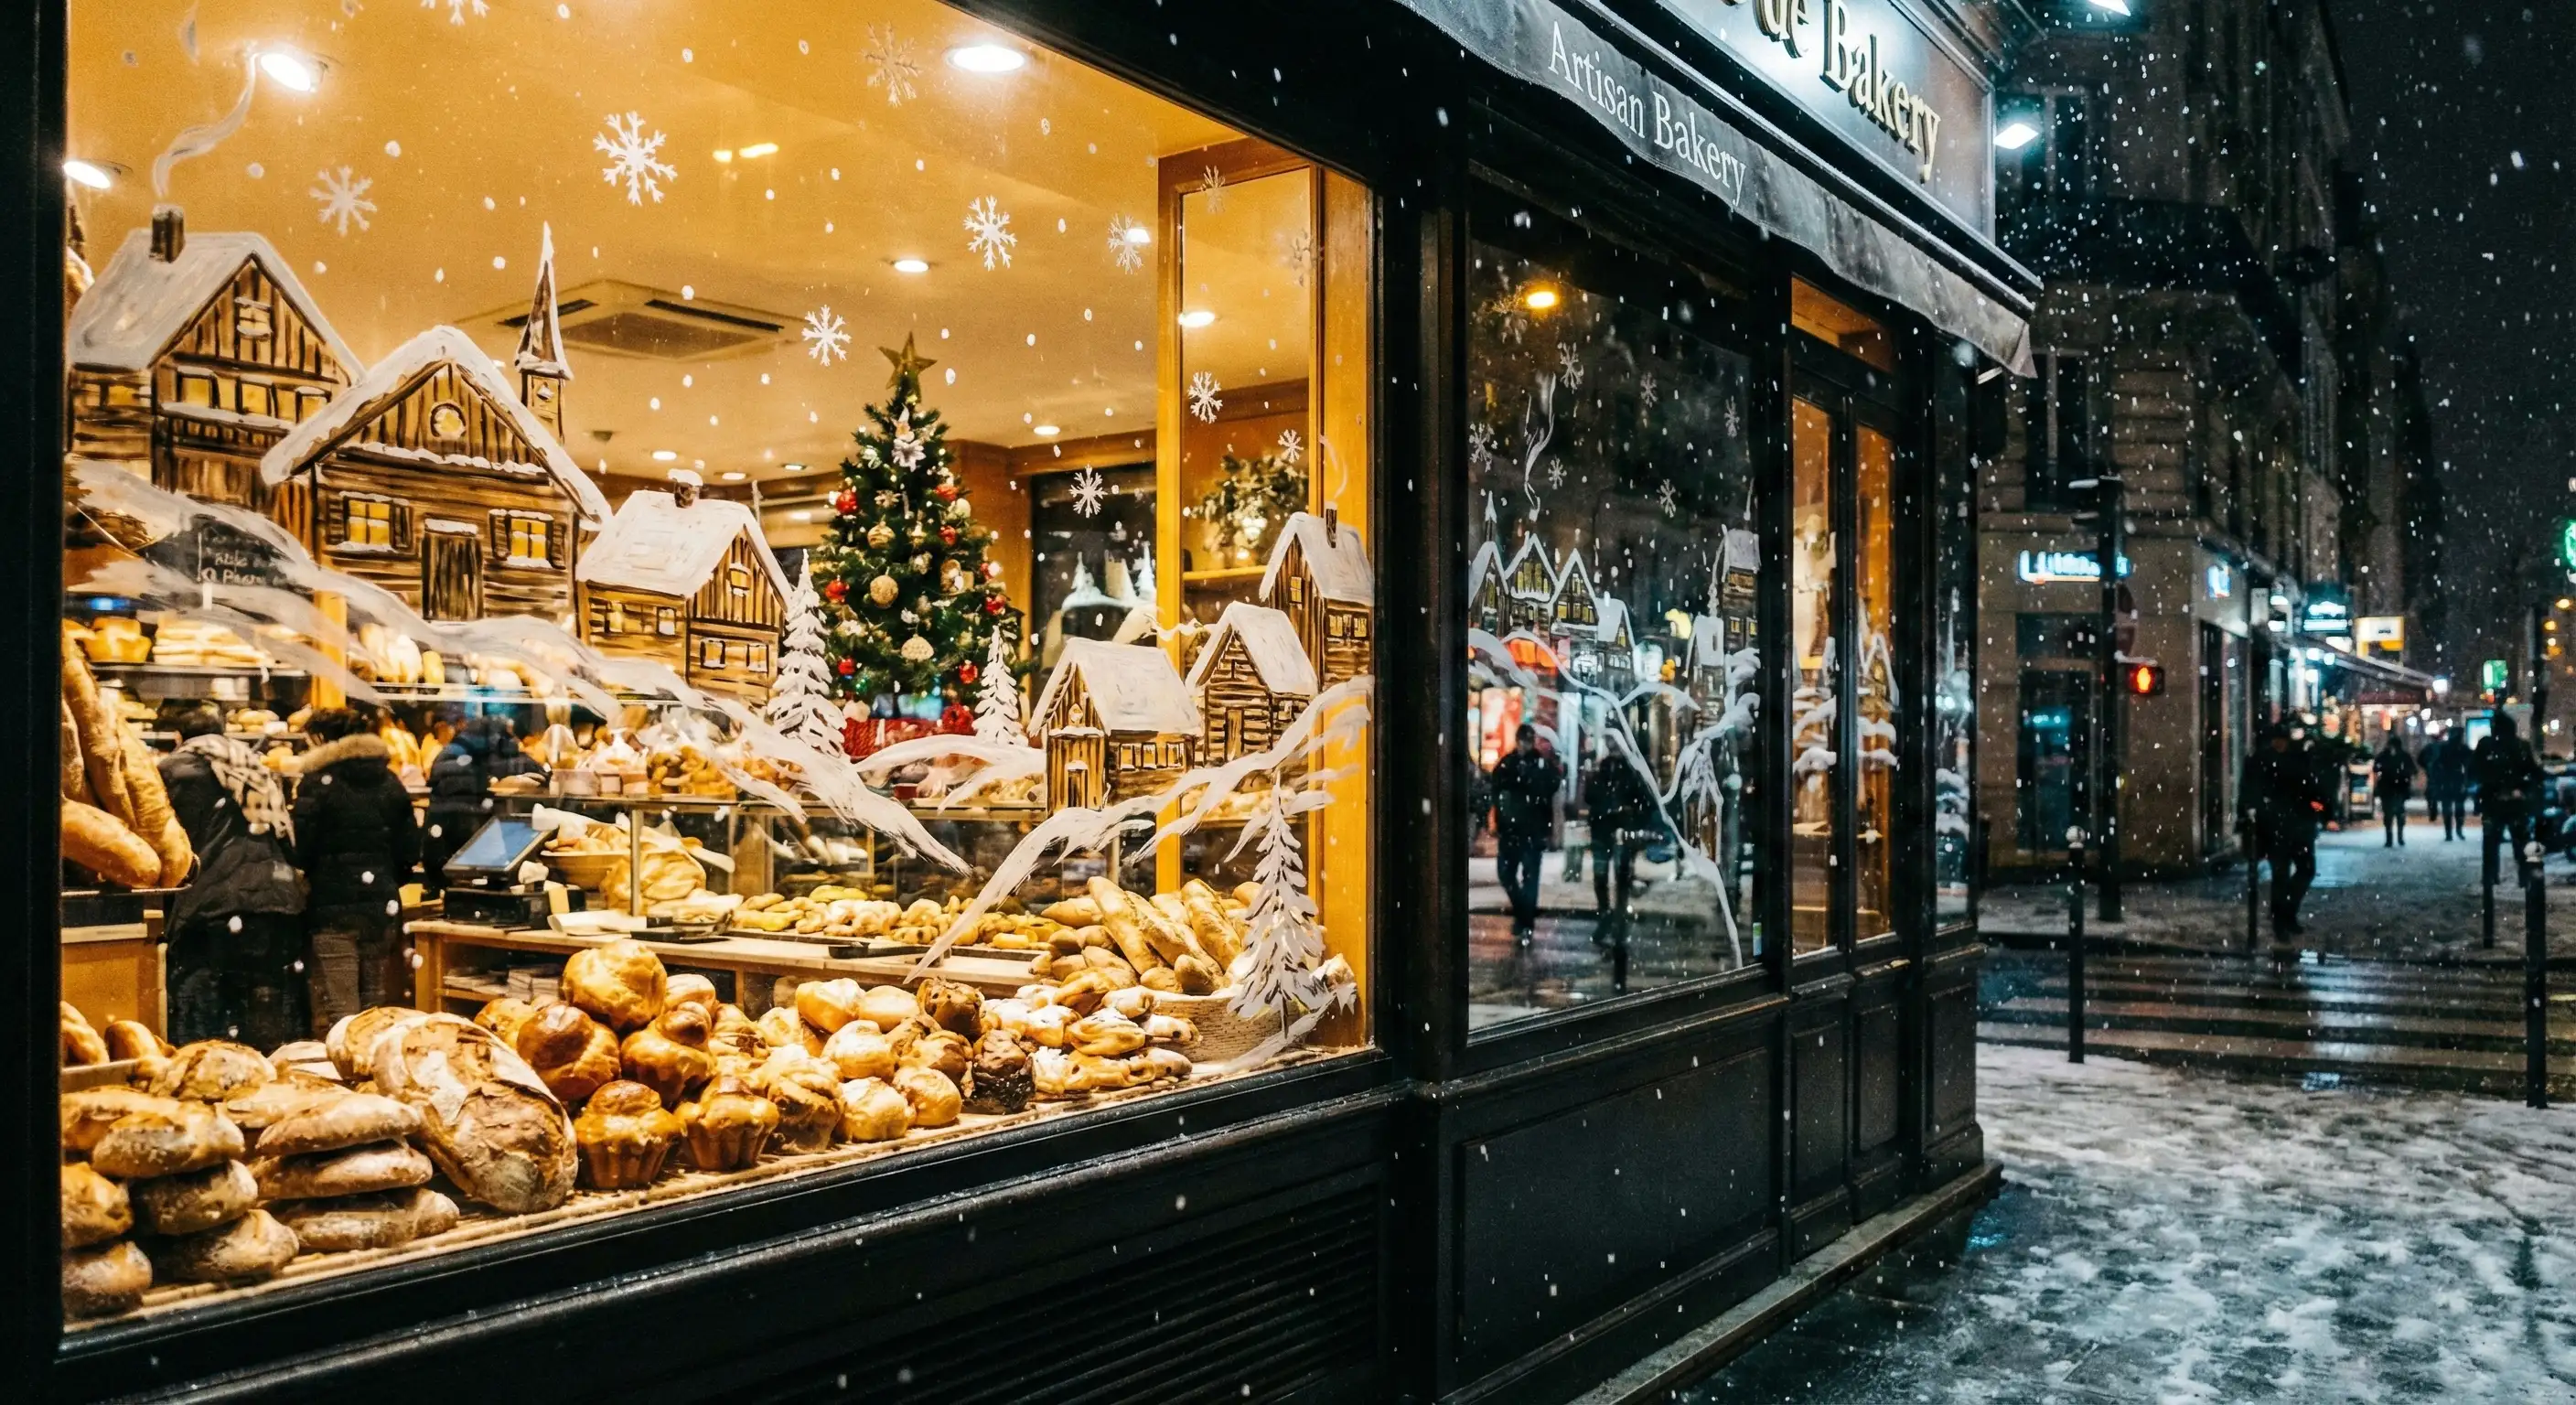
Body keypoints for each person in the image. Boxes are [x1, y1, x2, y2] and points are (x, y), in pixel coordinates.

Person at [156, 709, 307, 1046]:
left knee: (203, 1017)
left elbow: (162, 839)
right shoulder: (254, 768)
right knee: (264, 1009)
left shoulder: (172, 770)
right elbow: (285, 840)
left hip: (211, 903)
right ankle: (265, 1072)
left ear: (179, 737)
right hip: (275, 902)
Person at [293, 706, 422, 1026]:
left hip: (331, 908)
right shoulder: (390, 781)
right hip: (380, 906)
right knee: (374, 1008)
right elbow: (410, 850)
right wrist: (384, 879)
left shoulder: (317, 784)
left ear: (321, 739)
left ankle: (345, 1058)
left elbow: (301, 850)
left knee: (341, 1012)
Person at [423, 714, 542, 892]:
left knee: (449, 881)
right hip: (465, 828)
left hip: (440, 833)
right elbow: (509, 759)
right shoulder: (476, 755)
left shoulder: (455, 750)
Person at [2242, 723, 2329, 937]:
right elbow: (2312, 790)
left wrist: (2321, 810)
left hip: (2290, 826)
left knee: (2297, 872)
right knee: (2285, 874)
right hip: (2281, 826)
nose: (2279, 743)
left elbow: (2313, 792)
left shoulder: (2272, 761)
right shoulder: (2271, 761)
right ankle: (2283, 918)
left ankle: (2284, 914)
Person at [1487, 724, 1564, 939]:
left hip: (1529, 829)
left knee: (1526, 877)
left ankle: (1525, 920)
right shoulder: (1511, 764)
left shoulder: (1536, 765)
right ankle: (1524, 916)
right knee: (1509, 874)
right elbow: (1496, 790)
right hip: (1515, 830)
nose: (1525, 745)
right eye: (1524, 741)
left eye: (1528, 741)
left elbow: (1551, 786)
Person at [2474, 713, 2544, 888]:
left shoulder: (2486, 745)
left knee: (2491, 843)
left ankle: (2490, 876)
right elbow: (2534, 772)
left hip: (2492, 801)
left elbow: (2475, 770)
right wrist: (2523, 789)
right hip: (2516, 802)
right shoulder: (2521, 746)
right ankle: (2524, 876)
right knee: (2520, 841)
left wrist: (2488, 788)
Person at [1582, 752, 1649, 917]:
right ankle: (1613, 912)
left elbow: (1589, 796)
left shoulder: (1620, 775)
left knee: (1612, 873)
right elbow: (1590, 796)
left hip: (1610, 829)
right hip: (1610, 829)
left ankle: (1609, 912)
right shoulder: (1624, 775)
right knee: (1614, 873)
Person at [2370, 735, 2418, 848]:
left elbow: (2376, 768)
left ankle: (2390, 838)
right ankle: (2398, 837)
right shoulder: (2403, 755)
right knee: (2397, 813)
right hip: (2398, 787)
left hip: (2389, 787)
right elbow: (2413, 770)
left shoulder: (2384, 756)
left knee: (2389, 814)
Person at [2420, 730, 2468, 841]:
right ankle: (2458, 830)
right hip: (2457, 780)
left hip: (2446, 780)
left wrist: (2434, 774)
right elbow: (2468, 764)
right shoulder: (2462, 748)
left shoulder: (2445, 748)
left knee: (2448, 807)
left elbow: (2437, 762)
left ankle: (2449, 833)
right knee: (2458, 807)